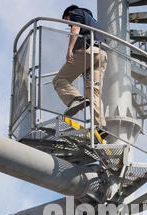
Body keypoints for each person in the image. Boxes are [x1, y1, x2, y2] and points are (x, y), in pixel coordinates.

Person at [53, 5, 108, 137]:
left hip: (89, 50)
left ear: (69, 13)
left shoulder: (77, 13)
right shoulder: (92, 20)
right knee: (93, 92)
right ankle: (100, 126)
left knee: (59, 80)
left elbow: (75, 28)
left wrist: (70, 50)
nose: (68, 22)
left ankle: (76, 99)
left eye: (67, 20)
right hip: (103, 55)